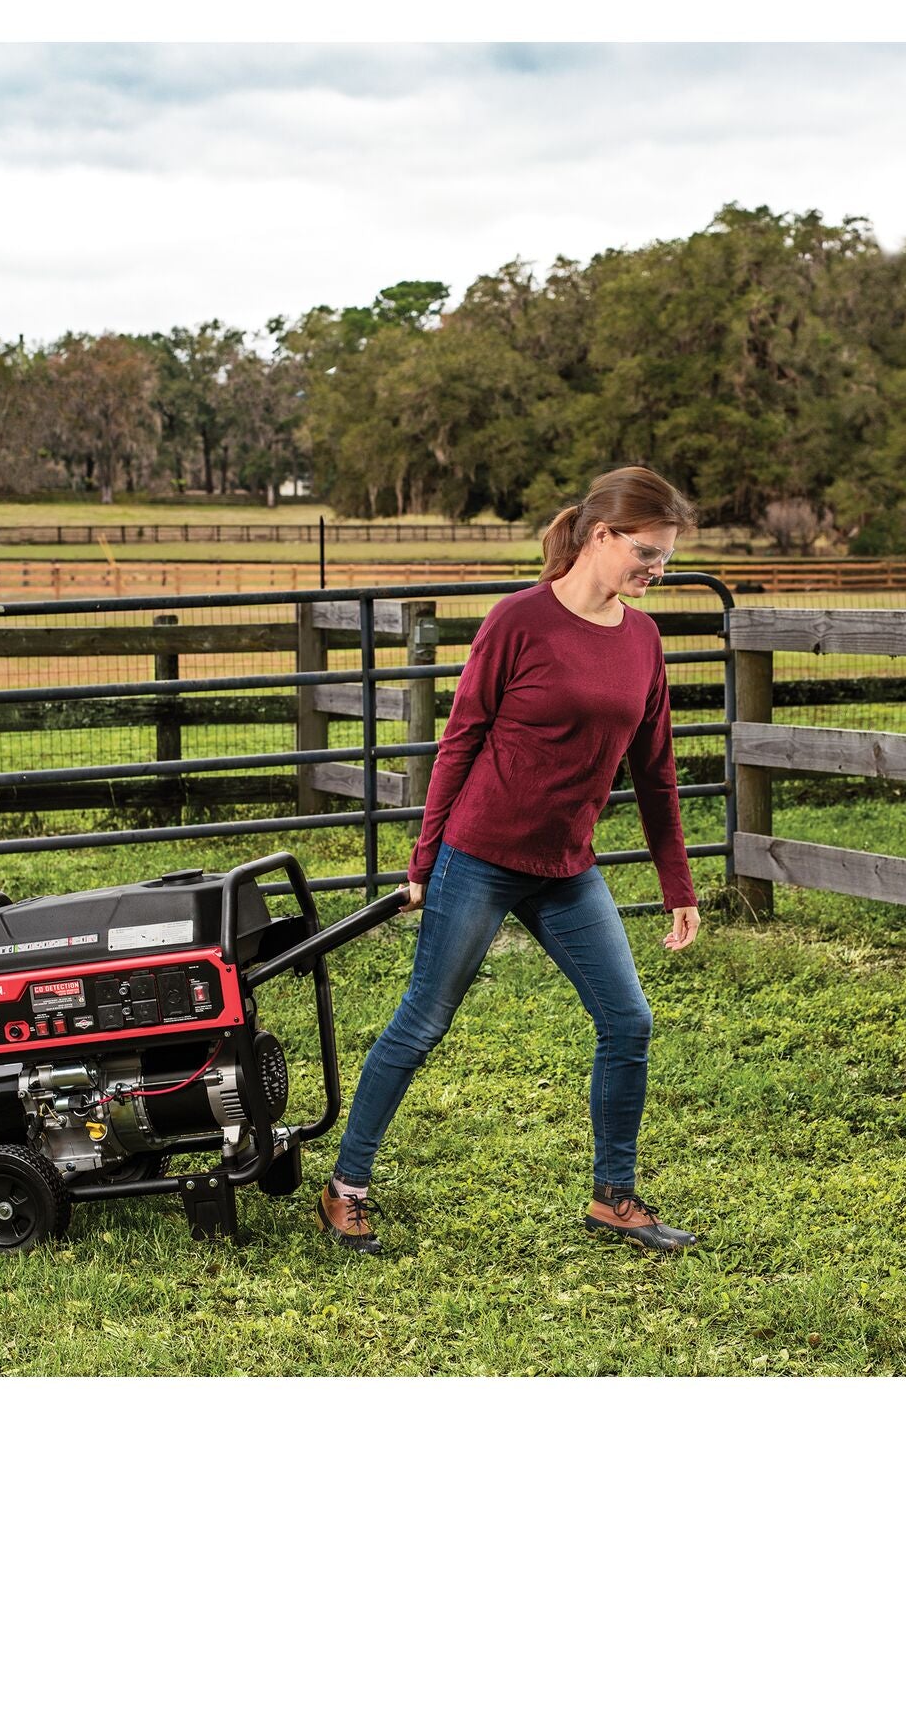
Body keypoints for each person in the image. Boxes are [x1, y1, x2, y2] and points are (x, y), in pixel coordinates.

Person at [317, 464, 703, 1256]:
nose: (657, 571)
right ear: (602, 536)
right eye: (649, 553)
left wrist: (677, 885)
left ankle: (613, 1197)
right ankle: (344, 1187)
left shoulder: (643, 639)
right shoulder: (519, 621)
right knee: (423, 1023)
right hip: (481, 854)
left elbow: (655, 770)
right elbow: (460, 739)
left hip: (569, 866)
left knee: (627, 1020)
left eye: (664, 557)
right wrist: (425, 861)